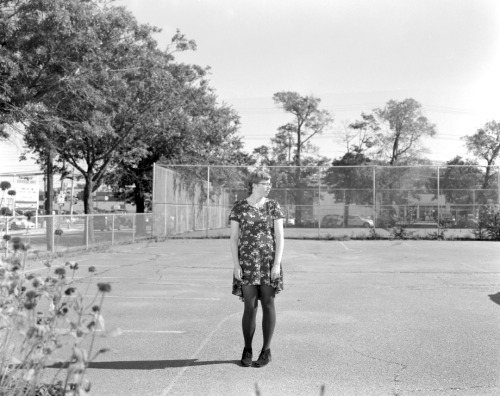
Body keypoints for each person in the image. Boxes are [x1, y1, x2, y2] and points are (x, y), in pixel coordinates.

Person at [229, 169, 284, 368]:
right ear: (253, 185)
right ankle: (247, 349)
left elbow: (279, 237)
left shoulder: (273, 206)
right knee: (249, 307)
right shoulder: (239, 207)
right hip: (247, 264)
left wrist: (277, 263)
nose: (269, 186)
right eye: (265, 183)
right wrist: (236, 264)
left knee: (268, 304)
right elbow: (234, 238)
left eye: (269, 183)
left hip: (268, 262)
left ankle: (266, 351)